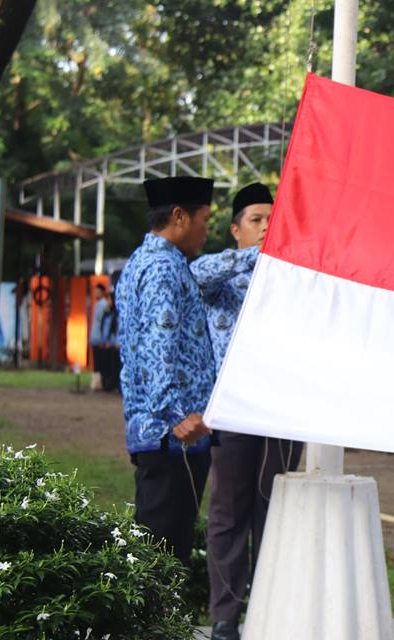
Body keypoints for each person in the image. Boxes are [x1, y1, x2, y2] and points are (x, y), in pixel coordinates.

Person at [189, 183, 304, 640]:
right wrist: (262, 255)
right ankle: (225, 616)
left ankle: (270, 611)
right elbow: (196, 274)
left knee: (274, 511)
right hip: (233, 411)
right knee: (228, 513)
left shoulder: (293, 279)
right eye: (256, 220)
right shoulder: (222, 277)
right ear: (235, 230)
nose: (265, 227)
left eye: (272, 220)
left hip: (282, 411)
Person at [117, 176, 216, 566]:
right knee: (162, 560)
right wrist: (178, 415)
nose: (207, 231)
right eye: (205, 220)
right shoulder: (162, 268)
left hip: (163, 437)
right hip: (171, 437)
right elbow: (157, 349)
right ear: (179, 216)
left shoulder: (147, 260)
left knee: (158, 555)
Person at [89, 283, 111, 390]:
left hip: (100, 338)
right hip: (95, 337)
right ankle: (97, 382)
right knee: (97, 362)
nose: (95, 293)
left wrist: (104, 338)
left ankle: (100, 383)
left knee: (100, 362)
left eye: (97, 291)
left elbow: (104, 323)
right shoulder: (97, 304)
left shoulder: (103, 305)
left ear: (102, 292)